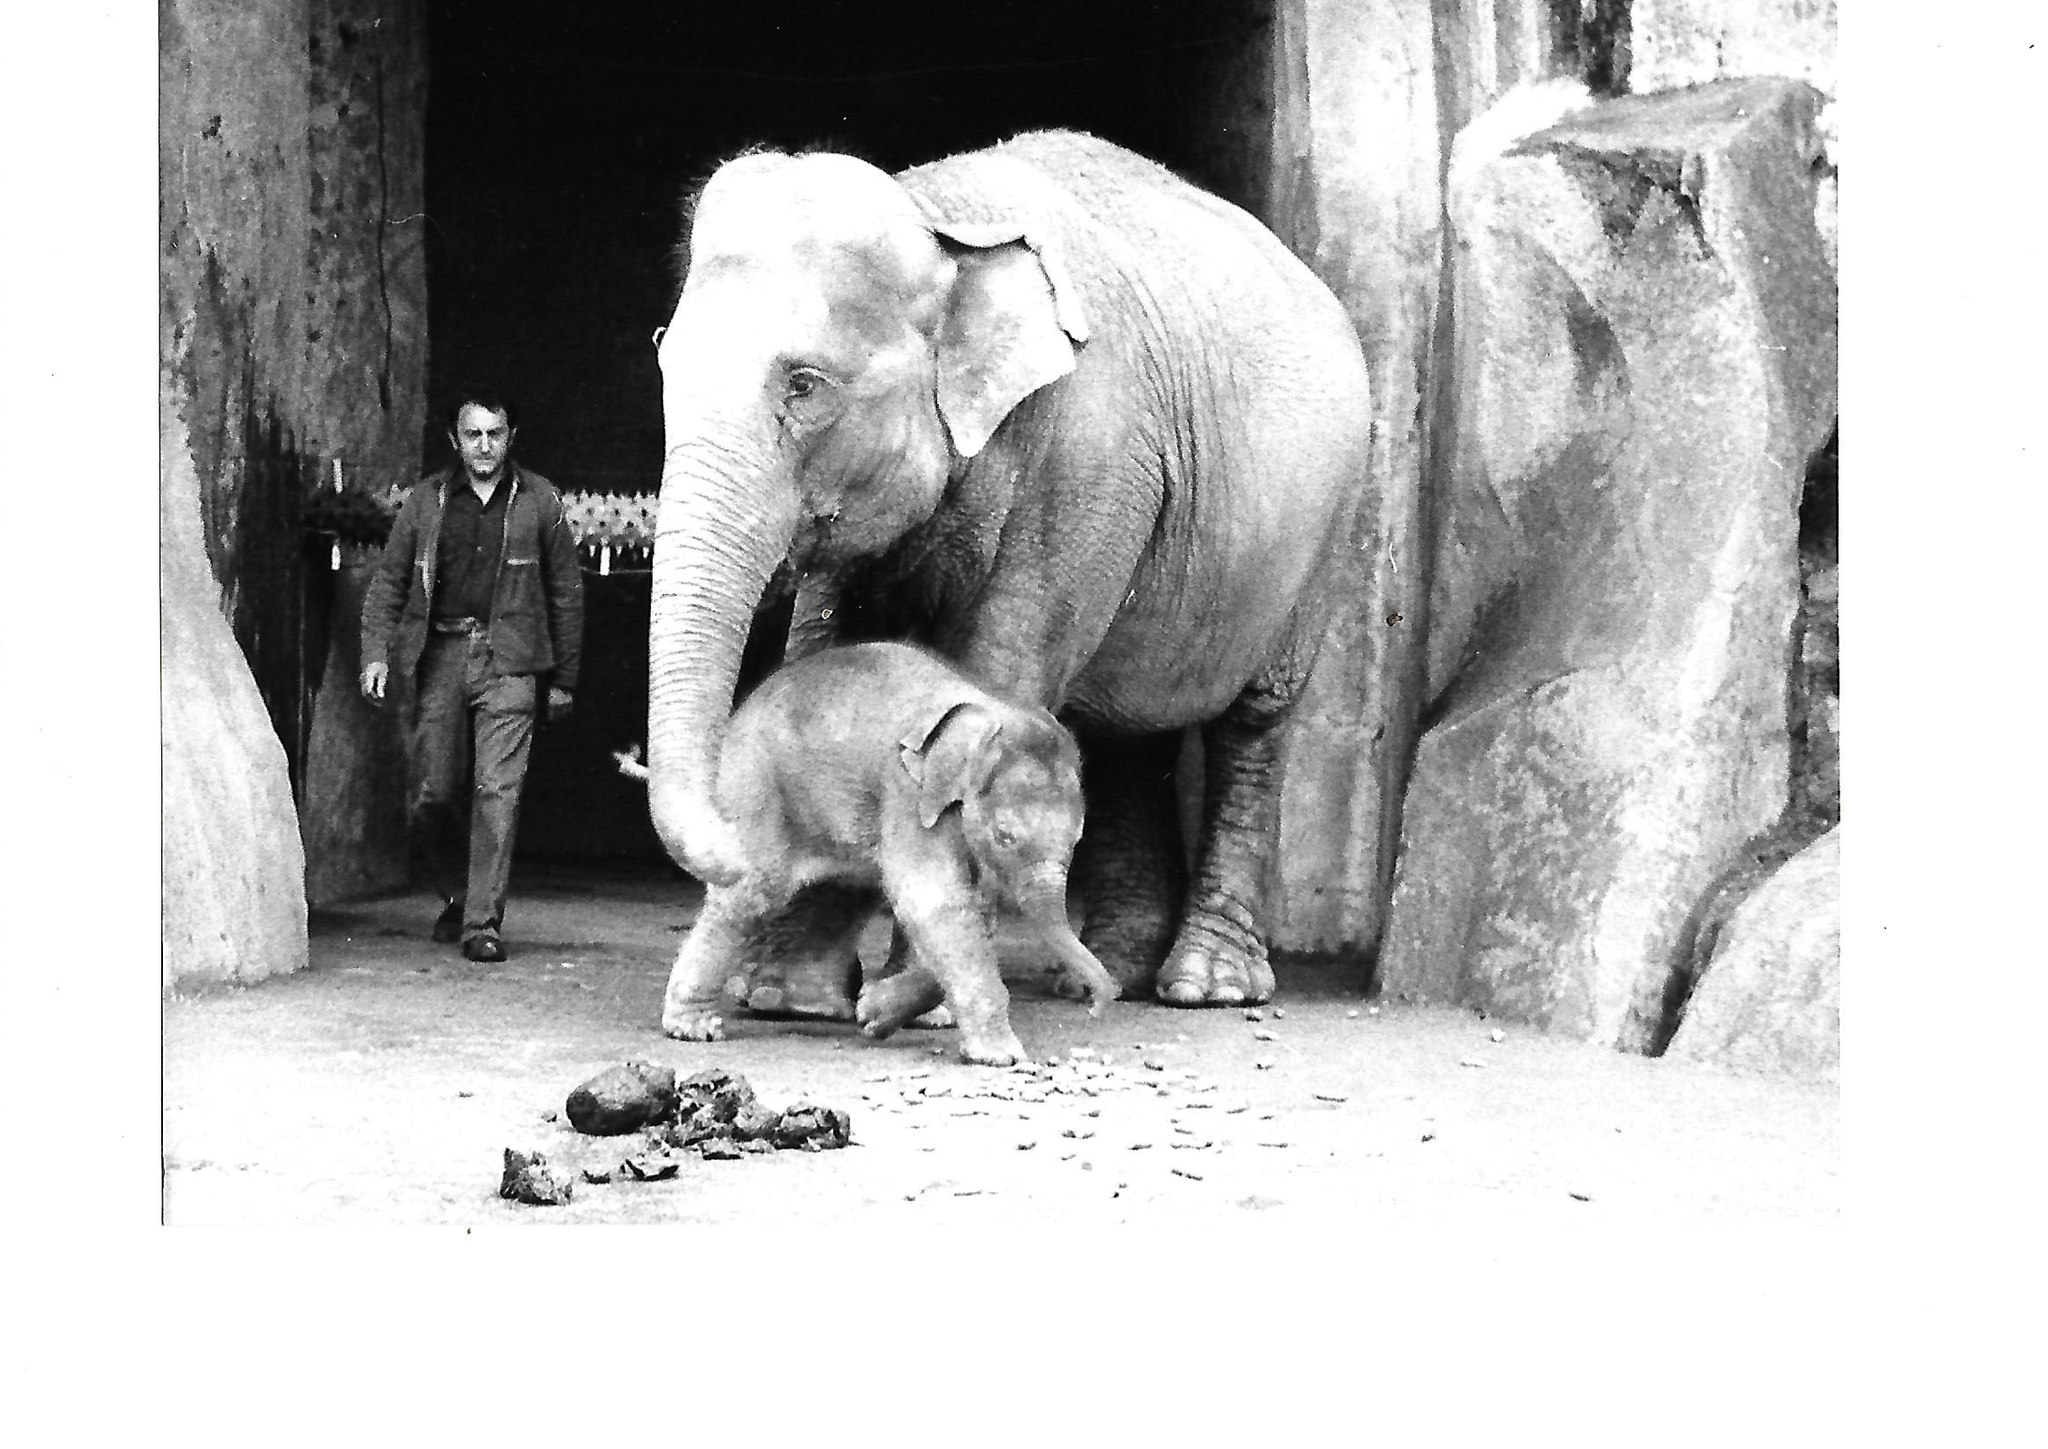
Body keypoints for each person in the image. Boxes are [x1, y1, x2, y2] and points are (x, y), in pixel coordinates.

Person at [360, 387, 584, 962]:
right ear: (454, 440)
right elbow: (389, 583)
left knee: (496, 793)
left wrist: (564, 677)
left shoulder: (540, 501)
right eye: (473, 435)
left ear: (512, 437)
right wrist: (376, 653)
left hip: (511, 662)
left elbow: (566, 592)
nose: (484, 446)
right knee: (431, 792)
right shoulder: (426, 501)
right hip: (440, 655)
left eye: (495, 434)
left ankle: (482, 922)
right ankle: (460, 892)